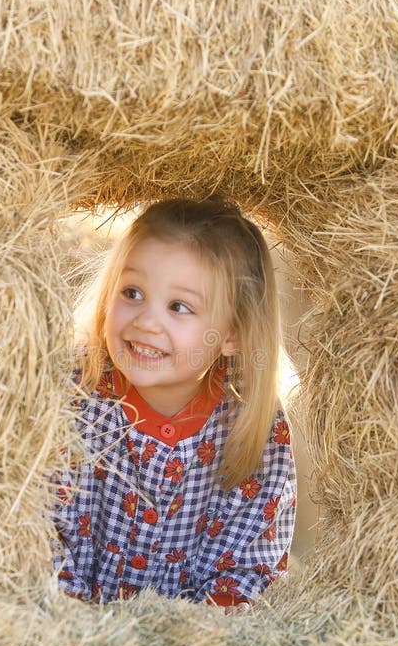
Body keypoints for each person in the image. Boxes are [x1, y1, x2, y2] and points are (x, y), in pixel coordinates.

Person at [51, 196, 297, 610]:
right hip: (73, 639)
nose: (146, 321)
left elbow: (250, 560)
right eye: (131, 292)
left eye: (178, 307)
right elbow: (40, 529)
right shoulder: (74, 394)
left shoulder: (251, 423)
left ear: (232, 333)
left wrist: (196, 635)